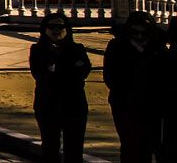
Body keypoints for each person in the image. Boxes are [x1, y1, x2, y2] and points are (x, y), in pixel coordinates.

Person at [103, 11, 166, 163]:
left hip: (152, 106)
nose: (139, 36)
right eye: (135, 32)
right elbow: (110, 76)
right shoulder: (117, 46)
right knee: (130, 145)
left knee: (150, 145)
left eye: (143, 33)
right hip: (124, 103)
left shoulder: (158, 48)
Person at [30, 11, 91, 163]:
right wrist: (71, 68)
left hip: (74, 105)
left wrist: (55, 69)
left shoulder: (78, 49)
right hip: (47, 105)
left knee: (74, 148)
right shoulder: (37, 50)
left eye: (60, 27)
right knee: (50, 147)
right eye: (51, 27)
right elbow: (40, 74)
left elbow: (84, 71)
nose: (56, 30)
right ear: (44, 29)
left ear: (67, 29)